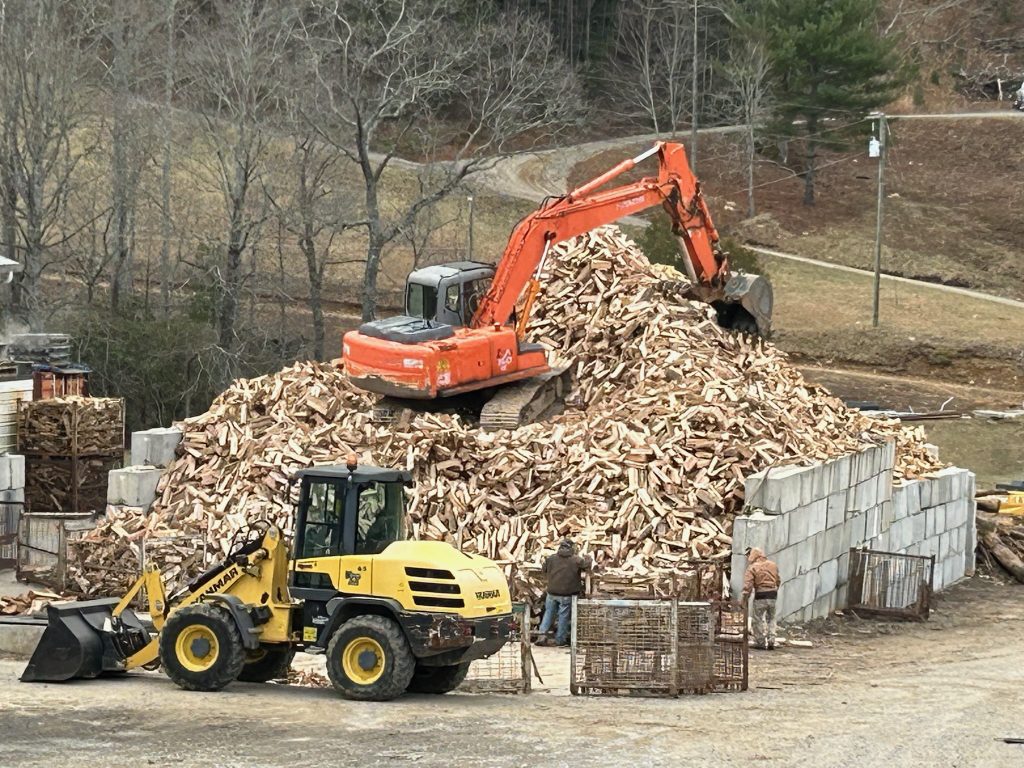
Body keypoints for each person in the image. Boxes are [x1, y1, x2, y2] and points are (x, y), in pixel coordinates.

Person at [536, 539, 593, 647]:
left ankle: (542, 635)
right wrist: (589, 558)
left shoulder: (551, 558)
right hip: (567, 594)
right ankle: (560, 640)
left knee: (548, 613)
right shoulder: (576, 560)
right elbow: (586, 565)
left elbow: (544, 570)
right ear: (572, 548)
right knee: (563, 616)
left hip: (552, 592)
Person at [743, 547, 780, 650]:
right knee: (771, 618)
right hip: (773, 594)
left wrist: (744, 599)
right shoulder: (773, 565)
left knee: (757, 619)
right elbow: (778, 580)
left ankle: (760, 642)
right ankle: (771, 639)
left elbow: (748, 586)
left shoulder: (752, 568)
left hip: (760, 595)